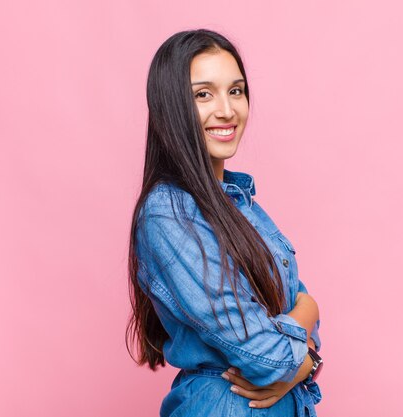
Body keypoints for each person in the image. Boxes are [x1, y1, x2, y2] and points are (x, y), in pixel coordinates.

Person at [126, 29, 323, 417]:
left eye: (236, 90)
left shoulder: (242, 204)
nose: (227, 110)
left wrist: (303, 338)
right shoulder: (168, 214)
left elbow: (293, 314)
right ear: (171, 107)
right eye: (204, 94)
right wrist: (308, 337)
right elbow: (266, 356)